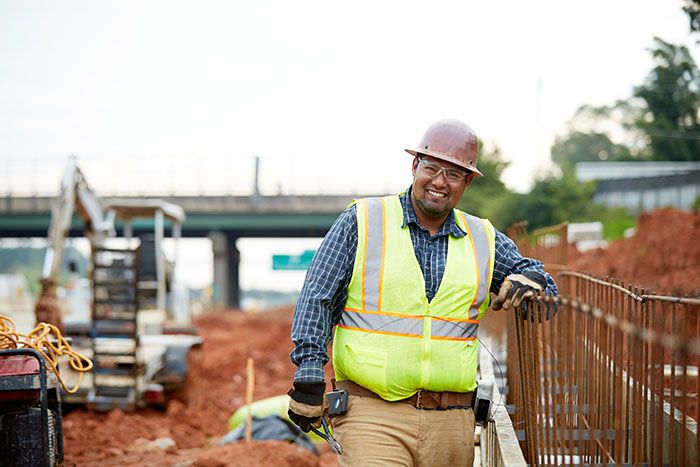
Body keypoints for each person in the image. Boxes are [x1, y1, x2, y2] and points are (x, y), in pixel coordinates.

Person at [287, 118, 558, 466]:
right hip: (372, 412)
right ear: (415, 165)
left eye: (454, 174)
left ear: (468, 182)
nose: (440, 182)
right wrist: (309, 373)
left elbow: (543, 289)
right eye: (432, 168)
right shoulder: (363, 221)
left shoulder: (482, 238)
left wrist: (532, 281)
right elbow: (317, 299)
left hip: (452, 418)